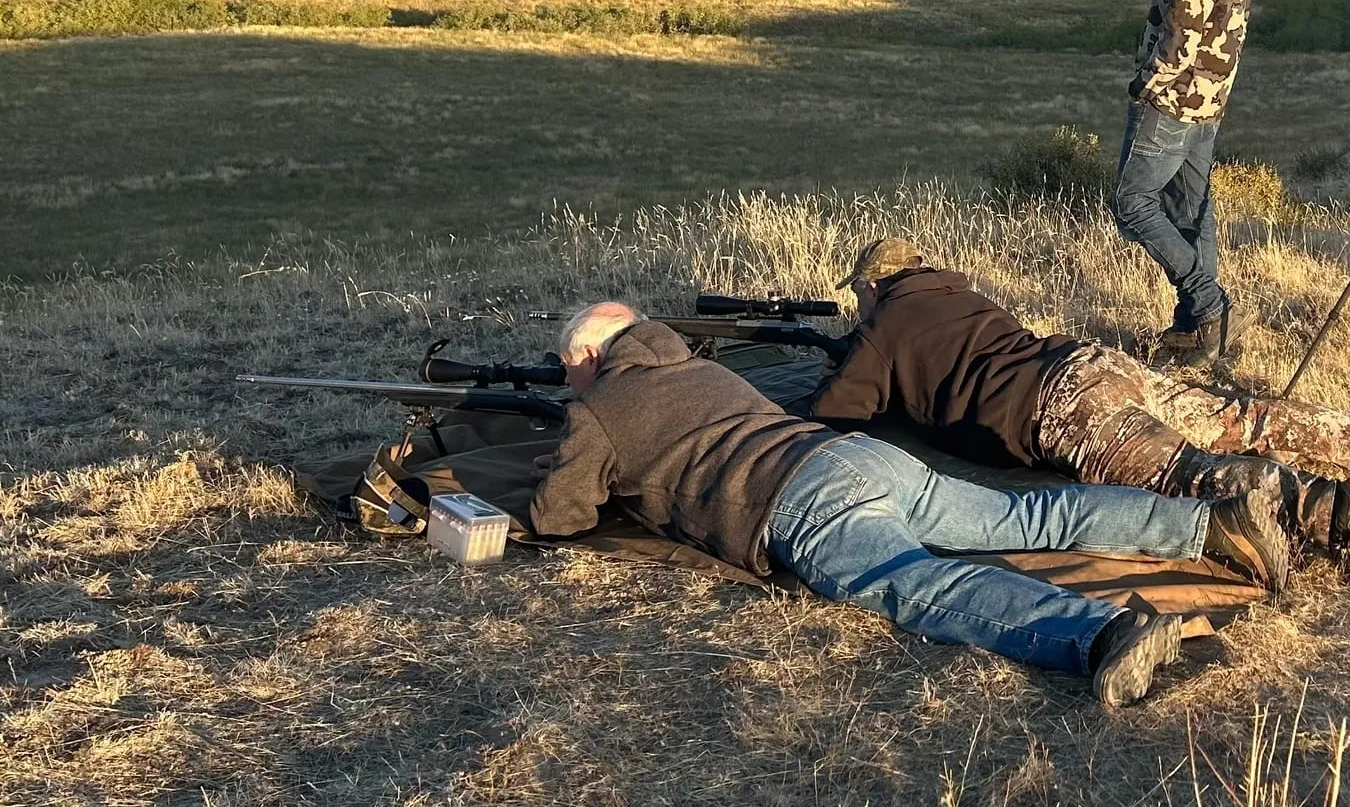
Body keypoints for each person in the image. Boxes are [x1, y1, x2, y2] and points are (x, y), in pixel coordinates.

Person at [527, 302, 1289, 705]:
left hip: (799, 504)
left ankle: (1103, 633)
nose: (570, 386)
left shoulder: (597, 407)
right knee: (1027, 517)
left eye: (569, 371)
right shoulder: (698, 366)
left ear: (589, 355)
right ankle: (1210, 523)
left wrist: (572, 459)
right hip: (857, 457)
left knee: (924, 585)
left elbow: (559, 516)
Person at [806, 238, 1350, 586]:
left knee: (1182, 474)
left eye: (858, 293)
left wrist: (844, 361)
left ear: (875, 286)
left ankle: (1333, 509)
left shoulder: (883, 326)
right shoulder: (956, 292)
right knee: (1233, 418)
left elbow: (835, 416)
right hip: (1092, 365)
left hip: (1062, 408)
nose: (858, 304)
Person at [1115, 0, 1257, 362]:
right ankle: (1197, 329)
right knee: (1190, 210)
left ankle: (1211, 304)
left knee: (1132, 204)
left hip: (1173, 100)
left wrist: (1145, 86)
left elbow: (1182, 34)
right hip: (1209, 101)